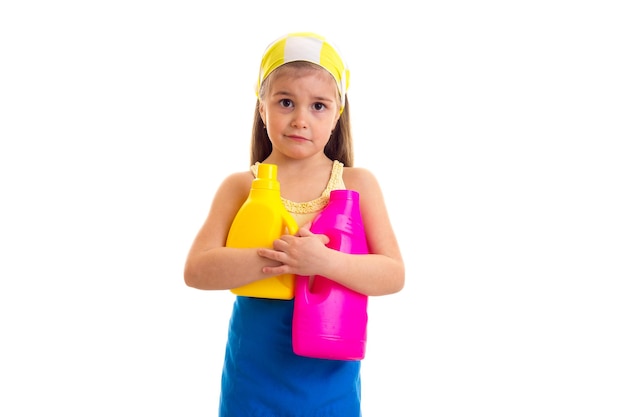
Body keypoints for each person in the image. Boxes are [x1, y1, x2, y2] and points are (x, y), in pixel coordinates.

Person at [184, 32, 405, 417]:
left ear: (337, 115)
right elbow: (197, 270)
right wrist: (279, 259)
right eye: (285, 102)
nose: (301, 119)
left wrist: (324, 263)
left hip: (329, 379)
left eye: (318, 106)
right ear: (262, 108)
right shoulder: (241, 186)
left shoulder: (356, 184)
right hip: (254, 377)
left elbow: (392, 274)